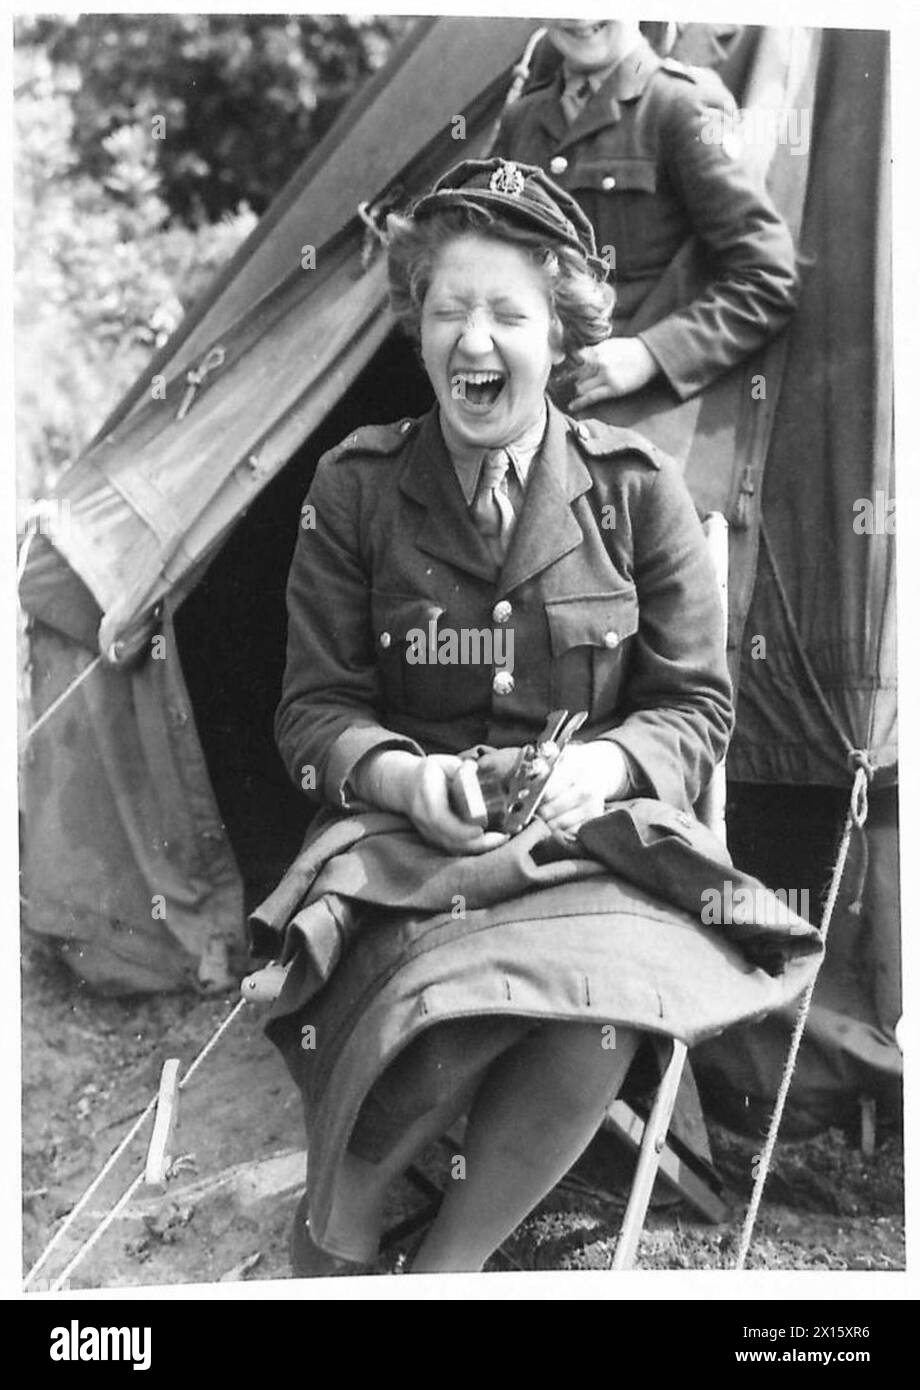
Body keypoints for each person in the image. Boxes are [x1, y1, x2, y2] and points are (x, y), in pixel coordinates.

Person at [263, 159, 813, 1276]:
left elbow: (694, 708)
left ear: (557, 333)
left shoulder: (636, 489)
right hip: (409, 846)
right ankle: (343, 1228)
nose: (476, 340)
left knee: (598, 996)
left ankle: (444, 1268)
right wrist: (405, 778)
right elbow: (311, 712)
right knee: (438, 990)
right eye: (448, 310)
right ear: (414, 332)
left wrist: (607, 768)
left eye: (507, 313)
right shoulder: (354, 490)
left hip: (591, 844)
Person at [491, 18, 799, 411]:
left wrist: (650, 355)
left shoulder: (679, 106)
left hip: (631, 414)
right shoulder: (522, 119)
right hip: (527, 401)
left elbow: (769, 277)